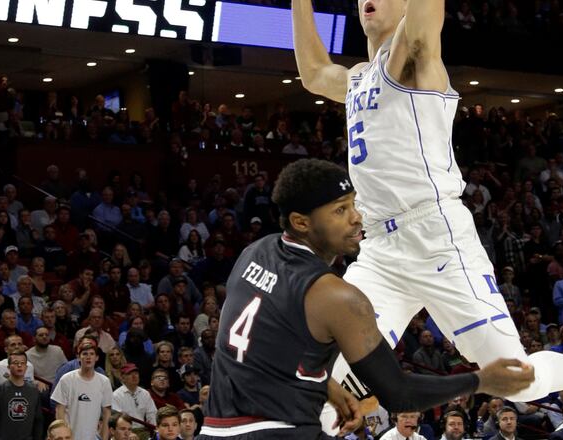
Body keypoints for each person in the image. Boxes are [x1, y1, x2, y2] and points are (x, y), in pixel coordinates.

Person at [292, 0, 563, 428]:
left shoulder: (413, 55)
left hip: (435, 236)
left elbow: (426, 17)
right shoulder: (358, 77)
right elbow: (315, 73)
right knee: (318, 388)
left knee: (515, 382)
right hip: (378, 251)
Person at [202, 160, 535, 439]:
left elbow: (251, 346)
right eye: (340, 210)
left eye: (354, 204)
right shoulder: (336, 296)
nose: (357, 217)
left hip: (215, 428)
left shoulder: (253, 253)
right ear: (301, 222)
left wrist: (326, 385)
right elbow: (398, 393)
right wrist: (481, 380)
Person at [51, 339, 113, 440]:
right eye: (85, 354)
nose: (88, 357)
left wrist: (104, 437)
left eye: (92, 354)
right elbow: (59, 410)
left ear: (96, 358)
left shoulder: (104, 381)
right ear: (79, 358)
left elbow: (107, 413)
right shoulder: (66, 379)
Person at [0, 351, 44, 440]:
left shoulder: (33, 391)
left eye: (22, 363)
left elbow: (38, 419)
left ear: (26, 367)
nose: (19, 365)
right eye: (15, 363)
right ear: (8, 367)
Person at [112, 363, 157, 437]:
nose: (134, 376)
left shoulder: (145, 393)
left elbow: (152, 414)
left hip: (144, 431)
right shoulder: (116, 395)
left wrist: (155, 432)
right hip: (125, 432)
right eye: (130, 374)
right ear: (123, 378)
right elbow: (118, 420)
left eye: (136, 373)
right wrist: (128, 432)